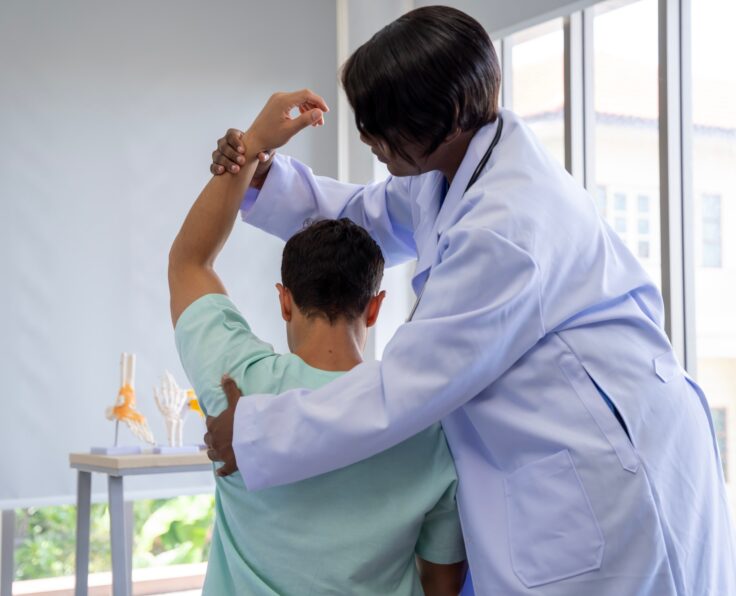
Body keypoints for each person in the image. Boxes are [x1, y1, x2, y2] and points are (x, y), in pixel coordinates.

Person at [204, 5, 736, 595]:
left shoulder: (505, 226)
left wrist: (256, 432)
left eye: (382, 124)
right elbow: (365, 215)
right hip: (574, 440)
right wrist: (262, 175)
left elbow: (405, 386)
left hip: (606, 466)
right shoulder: (455, 171)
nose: (366, 138)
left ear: (447, 116)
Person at [168, 135, 467, 594]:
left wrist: (249, 148)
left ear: (284, 302)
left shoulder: (237, 386)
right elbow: (442, 583)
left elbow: (189, 261)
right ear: (375, 307)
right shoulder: (425, 423)